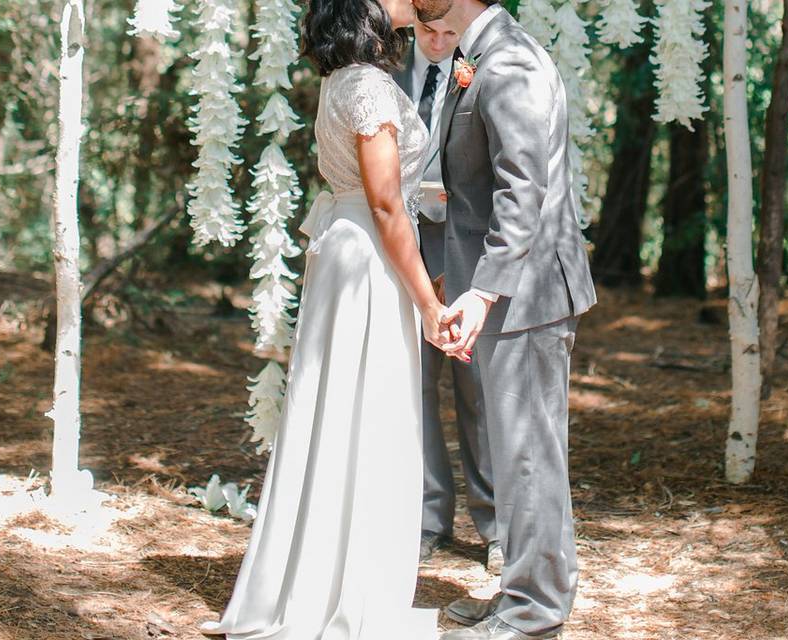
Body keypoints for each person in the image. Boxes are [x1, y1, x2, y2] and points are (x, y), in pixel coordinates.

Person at [198, 0, 447, 636]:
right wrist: (428, 301)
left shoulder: (342, 80)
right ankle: (349, 593)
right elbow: (388, 205)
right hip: (369, 258)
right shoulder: (368, 87)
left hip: (347, 247)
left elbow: (382, 193)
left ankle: (317, 577)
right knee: (366, 411)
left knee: (338, 411)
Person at [410, 0, 599, 637]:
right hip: (509, 290)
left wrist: (483, 291)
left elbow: (523, 191)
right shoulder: (483, 53)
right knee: (516, 452)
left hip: (528, 294)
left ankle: (535, 613)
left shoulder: (510, 60)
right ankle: (520, 593)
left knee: (529, 458)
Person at [392, 19, 501, 571]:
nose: (438, 41)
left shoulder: (482, 72)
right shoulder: (386, 73)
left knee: (476, 386)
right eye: (427, 30)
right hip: (406, 249)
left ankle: (495, 526)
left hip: (466, 247)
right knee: (416, 391)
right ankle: (427, 518)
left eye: (447, 30)